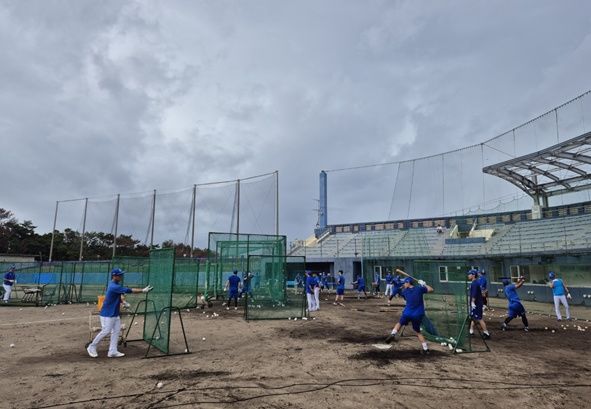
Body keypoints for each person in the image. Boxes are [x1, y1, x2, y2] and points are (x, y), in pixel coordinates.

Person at [87, 268, 153, 358]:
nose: (121, 276)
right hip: (107, 313)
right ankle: (92, 346)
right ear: (114, 276)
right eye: (119, 275)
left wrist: (123, 302)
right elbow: (129, 291)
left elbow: (117, 296)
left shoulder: (114, 284)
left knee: (116, 331)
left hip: (114, 313)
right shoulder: (114, 286)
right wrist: (143, 290)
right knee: (106, 331)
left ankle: (113, 351)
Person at [385, 277, 434, 354]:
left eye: (405, 283)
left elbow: (400, 291)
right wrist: (424, 284)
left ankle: (393, 334)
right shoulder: (419, 289)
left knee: (400, 323)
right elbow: (431, 289)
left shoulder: (405, 292)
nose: (404, 284)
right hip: (418, 314)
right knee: (418, 332)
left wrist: (402, 287)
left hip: (407, 313)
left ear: (408, 283)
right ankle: (425, 349)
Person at [468, 269, 491, 339]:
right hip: (477, 303)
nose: (468, 275)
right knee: (473, 317)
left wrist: (472, 302)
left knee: (479, 318)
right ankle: (471, 331)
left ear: (473, 275)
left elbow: (474, 294)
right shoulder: (474, 282)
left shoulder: (475, 283)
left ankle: (486, 333)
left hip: (476, 304)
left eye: (469, 274)